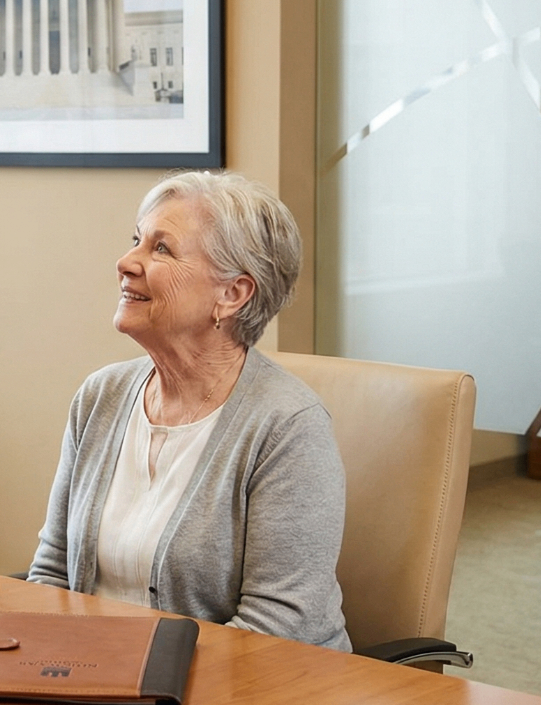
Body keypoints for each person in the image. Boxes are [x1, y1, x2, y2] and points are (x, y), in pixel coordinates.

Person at [28, 170, 350, 650]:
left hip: (251, 698)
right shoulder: (101, 397)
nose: (126, 262)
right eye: (137, 240)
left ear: (232, 294)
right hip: (100, 684)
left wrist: (131, 681)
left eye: (161, 249)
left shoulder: (287, 427)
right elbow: (53, 570)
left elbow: (280, 629)